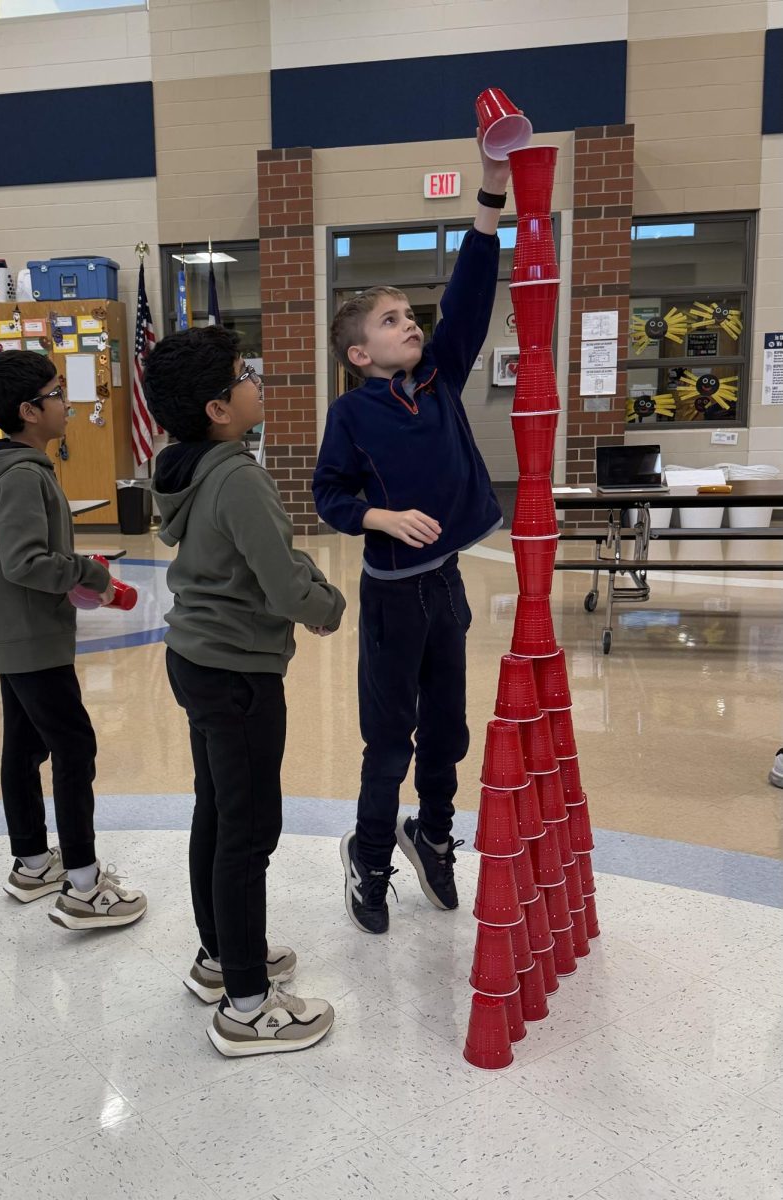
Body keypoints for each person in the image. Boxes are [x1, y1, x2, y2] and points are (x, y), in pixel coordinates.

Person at [313, 131, 509, 935]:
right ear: (361, 353)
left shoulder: (438, 381)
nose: (411, 325)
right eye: (393, 321)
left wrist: (490, 193)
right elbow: (328, 495)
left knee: (450, 732)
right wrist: (380, 516)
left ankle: (432, 835)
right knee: (389, 739)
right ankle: (368, 854)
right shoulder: (351, 413)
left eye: (409, 316)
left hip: (446, 588)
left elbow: (467, 296)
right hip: (393, 600)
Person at [144, 325, 346, 1056]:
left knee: (217, 812)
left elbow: (263, 554)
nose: (257, 382)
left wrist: (300, 581)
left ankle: (222, 958)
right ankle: (248, 1006)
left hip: (197, 660)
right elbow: (285, 580)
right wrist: (329, 607)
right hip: (237, 674)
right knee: (249, 830)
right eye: (243, 375)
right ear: (218, 407)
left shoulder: (188, 466)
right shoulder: (237, 474)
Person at [0, 351, 146, 930]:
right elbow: (24, 562)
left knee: (24, 746)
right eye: (57, 392)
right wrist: (90, 574)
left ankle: (34, 861)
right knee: (73, 748)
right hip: (31, 640)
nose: (67, 402)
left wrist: (75, 571)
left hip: (23, 636)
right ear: (28, 410)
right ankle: (85, 887)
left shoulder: (22, 469)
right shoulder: (20, 476)